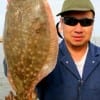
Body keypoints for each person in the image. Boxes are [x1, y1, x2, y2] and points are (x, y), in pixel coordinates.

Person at [4, 0, 100, 100]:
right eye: (70, 21)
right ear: (61, 23)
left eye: (86, 22)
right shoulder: (44, 60)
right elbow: (11, 64)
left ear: (93, 24)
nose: (78, 29)